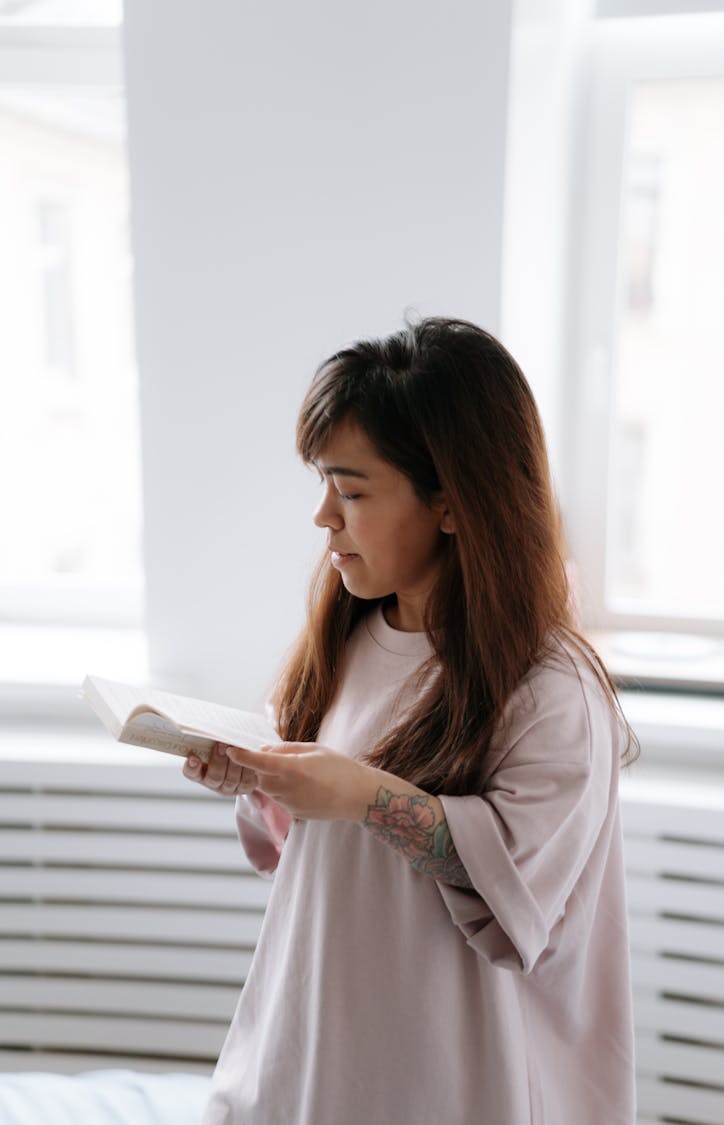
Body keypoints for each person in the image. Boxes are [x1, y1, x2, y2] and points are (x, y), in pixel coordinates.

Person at [184, 316, 637, 1125]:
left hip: (452, 1085)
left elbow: (516, 893)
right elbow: (317, 850)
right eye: (323, 484)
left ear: (454, 505)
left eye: (352, 490)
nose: (325, 515)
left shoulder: (552, 691)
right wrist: (255, 776)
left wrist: (361, 793)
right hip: (311, 1056)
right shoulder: (348, 639)